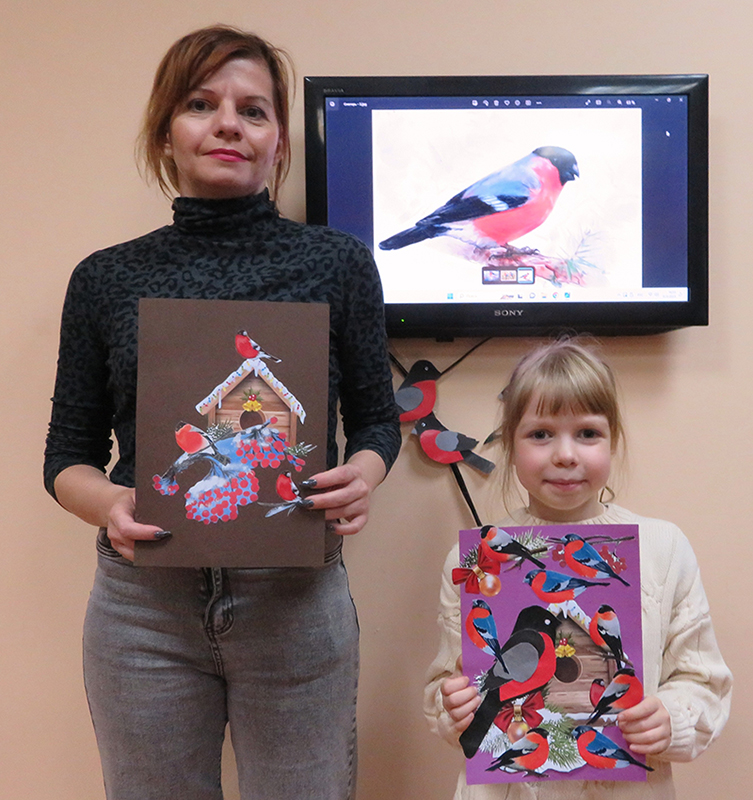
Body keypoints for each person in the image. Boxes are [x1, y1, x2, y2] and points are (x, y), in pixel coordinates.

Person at [44, 25, 400, 800]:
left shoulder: (338, 264)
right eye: (201, 104)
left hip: (295, 598)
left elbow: (377, 420)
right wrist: (108, 503)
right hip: (143, 609)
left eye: (254, 110)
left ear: (279, 143)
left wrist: (362, 475)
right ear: (164, 134)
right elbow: (65, 458)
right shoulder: (105, 278)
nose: (228, 124)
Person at [424, 339, 731, 799]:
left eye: (587, 433)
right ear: (510, 444)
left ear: (613, 440)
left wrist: (671, 716)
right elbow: (446, 684)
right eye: (540, 434)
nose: (566, 454)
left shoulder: (664, 548)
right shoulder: (477, 562)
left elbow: (703, 681)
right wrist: (452, 707)